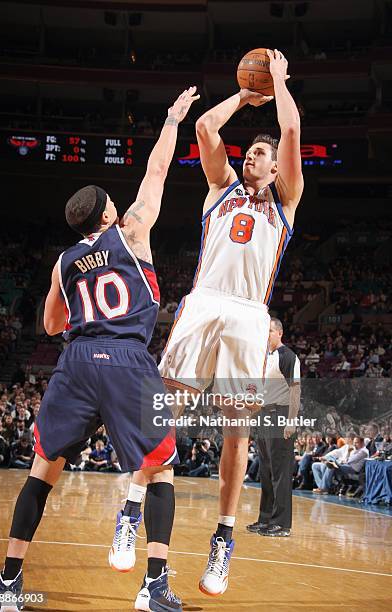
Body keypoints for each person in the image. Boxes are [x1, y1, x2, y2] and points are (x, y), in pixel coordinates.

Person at [0, 87, 199, 612]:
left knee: (43, 471)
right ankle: (153, 586)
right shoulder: (131, 232)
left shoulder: (63, 262)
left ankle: (10, 584)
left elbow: (49, 322)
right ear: (107, 217)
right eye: (112, 201)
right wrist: (173, 119)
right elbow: (156, 171)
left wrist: (70, 286)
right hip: (127, 359)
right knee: (161, 470)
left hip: (77, 362)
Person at [121, 48, 303, 597]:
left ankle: (223, 540)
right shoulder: (220, 187)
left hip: (249, 315)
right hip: (203, 301)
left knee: (237, 429)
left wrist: (279, 82)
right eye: (251, 148)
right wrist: (245, 97)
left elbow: (291, 127)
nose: (255, 153)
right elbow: (203, 125)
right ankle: (131, 508)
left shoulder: (285, 203)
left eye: (263, 152)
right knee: (164, 407)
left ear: (276, 169)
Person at [246, 318, 301, 537]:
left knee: (281, 473)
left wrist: (291, 420)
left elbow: (295, 389)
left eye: (269, 331)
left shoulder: (288, 356)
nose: (265, 335)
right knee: (266, 471)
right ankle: (265, 518)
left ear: (279, 333)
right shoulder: (263, 358)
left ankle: (282, 523)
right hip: (263, 416)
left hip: (280, 415)